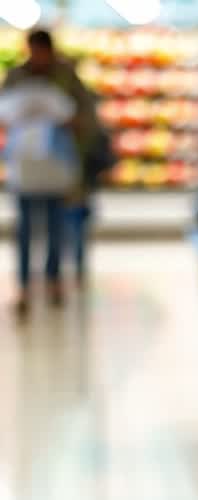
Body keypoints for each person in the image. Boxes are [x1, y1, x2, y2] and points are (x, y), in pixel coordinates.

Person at [2, 29, 95, 314]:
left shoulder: (66, 77)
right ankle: (24, 284)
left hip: (57, 163)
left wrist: (68, 121)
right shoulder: (16, 76)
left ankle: (54, 280)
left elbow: (86, 115)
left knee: (57, 227)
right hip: (25, 164)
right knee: (25, 228)